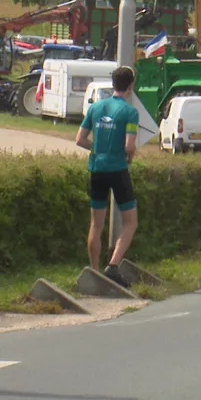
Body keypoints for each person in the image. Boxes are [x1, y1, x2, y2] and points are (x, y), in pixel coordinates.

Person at [75, 66, 140, 287]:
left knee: (96, 224)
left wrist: (99, 148)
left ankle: (94, 271)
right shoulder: (130, 112)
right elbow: (129, 146)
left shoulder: (95, 107)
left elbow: (79, 139)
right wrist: (128, 156)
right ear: (130, 86)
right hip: (118, 169)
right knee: (130, 222)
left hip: (96, 168)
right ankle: (112, 266)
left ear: (113, 84)